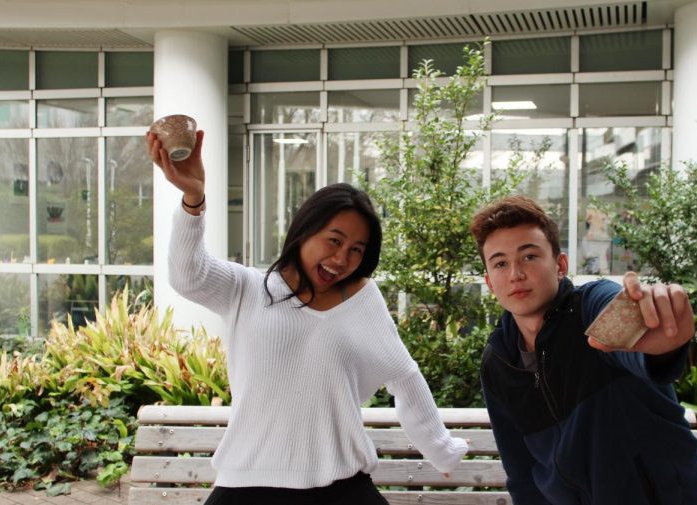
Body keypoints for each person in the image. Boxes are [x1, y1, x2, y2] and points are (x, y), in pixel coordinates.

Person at [147, 129, 468, 505]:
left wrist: (442, 450)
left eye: (355, 250)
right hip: (247, 485)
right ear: (305, 230)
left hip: (343, 486)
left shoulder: (362, 298)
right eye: (334, 240)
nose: (341, 259)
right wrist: (193, 198)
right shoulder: (246, 289)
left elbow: (403, 375)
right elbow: (188, 276)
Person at [469, 195, 697, 505]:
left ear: (560, 264)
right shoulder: (499, 362)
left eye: (529, 256)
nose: (515, 274)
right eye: (500, 263)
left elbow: (632, 336)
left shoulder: (590, 307)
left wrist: (658, 336)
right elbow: (522, 473)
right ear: (490, 282)